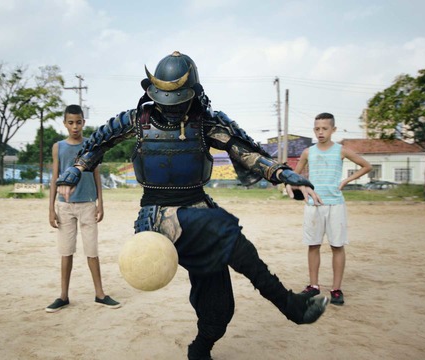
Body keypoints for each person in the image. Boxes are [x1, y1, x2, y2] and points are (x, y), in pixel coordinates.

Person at [56, 51, 328, 360]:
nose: (170, 108)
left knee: (219, 308)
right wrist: (73, 172)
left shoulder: (206, 122)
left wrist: (285, 174)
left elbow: (246, 152)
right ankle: (290, 305)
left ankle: (200, 349)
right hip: (156, 217)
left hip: (198, 209)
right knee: (226, 230)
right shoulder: (136, 121)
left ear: (193, 94)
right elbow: (96, 144)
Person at [46, 104, 121, 313]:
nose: (75, 126)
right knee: (66, 252)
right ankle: (63, 296)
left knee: (92, 251)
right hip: (65, 206)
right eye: (71, 122)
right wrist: (51, 209)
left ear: (83, 123)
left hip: (88, 204)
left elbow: (96, 174)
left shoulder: (91, 145)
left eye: (78, 122)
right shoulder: (58, 147)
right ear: (65, 124)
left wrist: (100, 203)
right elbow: (55, 178)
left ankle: (100, 294)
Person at [293, 113, 372, 306]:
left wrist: (346, 180)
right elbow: (293, 176)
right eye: (317, 129)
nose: (320, 132)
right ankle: (313, 286)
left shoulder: (341, 151)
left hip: (335, 205)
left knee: (337, 246)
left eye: (324, 128)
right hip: (314, 206)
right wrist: (303, 188)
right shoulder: (308, 152)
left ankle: (336, 289)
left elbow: (366, 166)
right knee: (313, 245)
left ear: (333, 130)